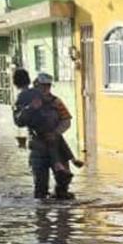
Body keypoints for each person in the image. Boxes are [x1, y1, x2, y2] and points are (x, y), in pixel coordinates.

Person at [13, 71, 82, 199]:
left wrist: (55, 133)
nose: (45, 89)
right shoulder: (26, 100)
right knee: (40, 188)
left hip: (57, 145)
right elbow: (19, 121)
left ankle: (61, 206)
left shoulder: (56, 102)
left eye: (48, 86)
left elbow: (66, 120)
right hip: (38, 147)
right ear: (36, 85)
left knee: (64, 181)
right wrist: (31, 108)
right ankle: (42, 210)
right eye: (42, 86)